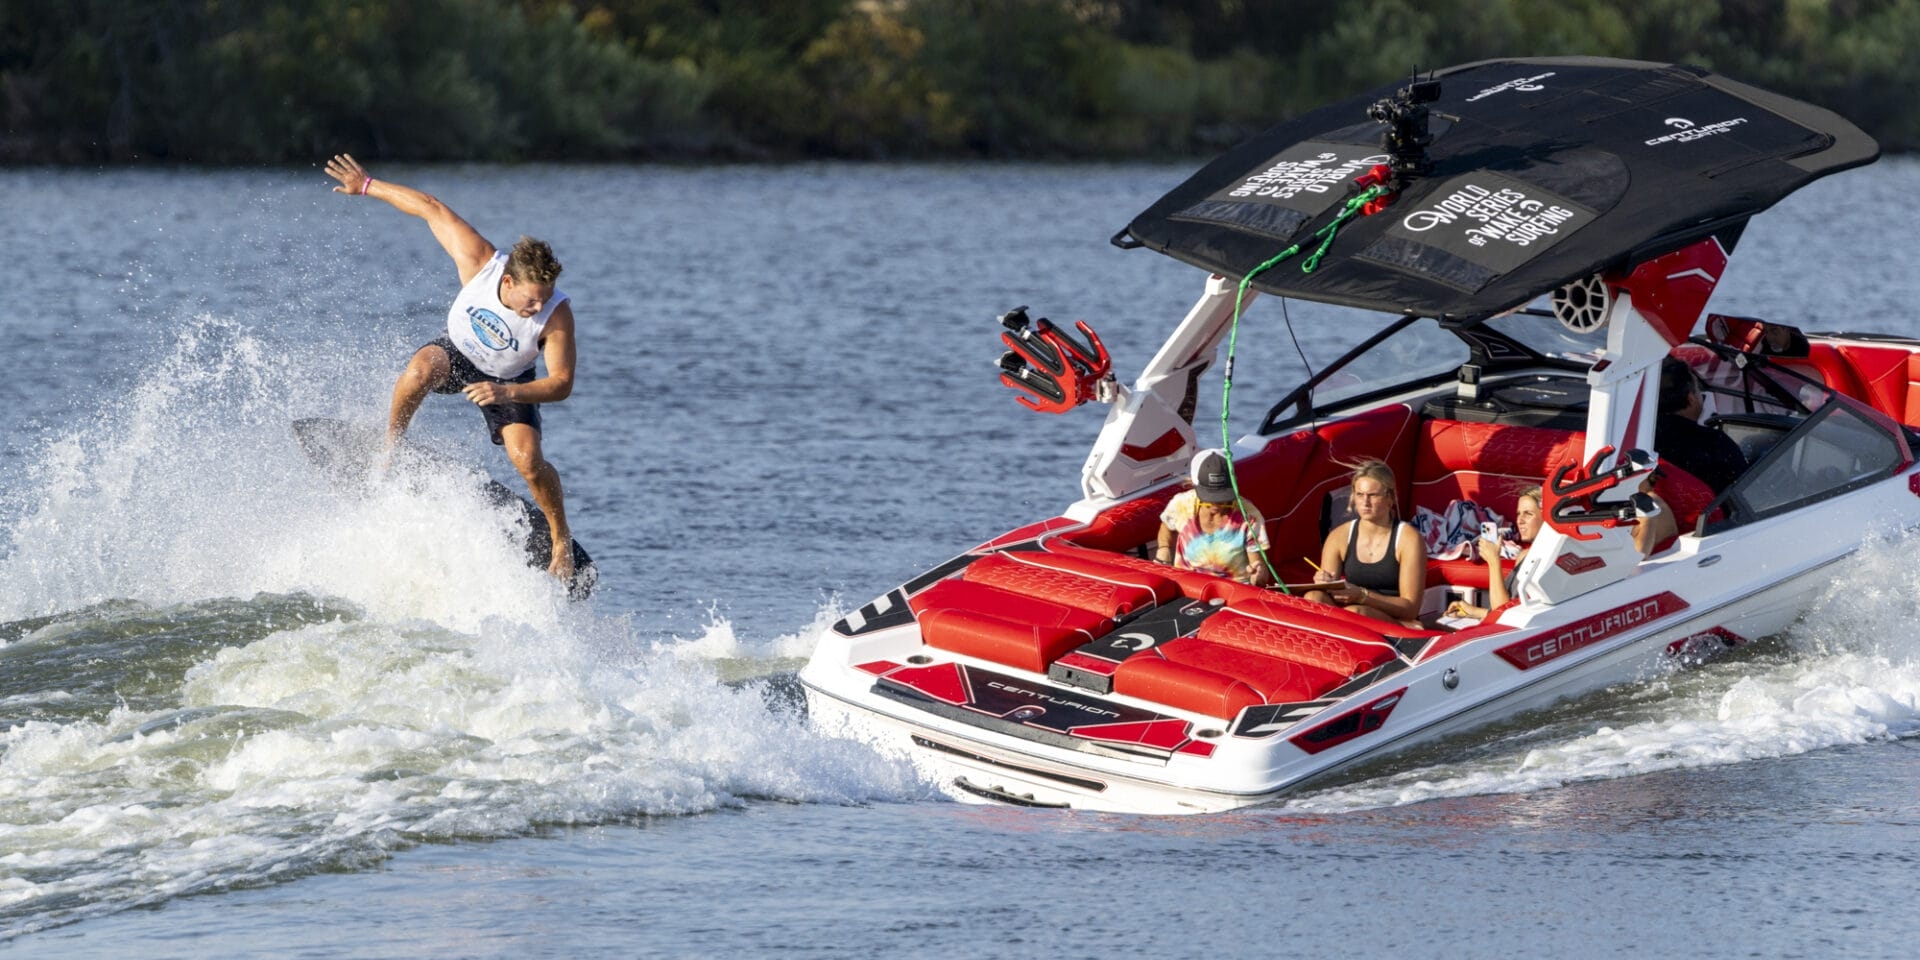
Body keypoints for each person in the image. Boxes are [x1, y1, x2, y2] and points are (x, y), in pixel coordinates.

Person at [324, 153, 578, 581]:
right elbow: (430, 207)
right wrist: (368, 186)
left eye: (545, 298)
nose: (538, 307)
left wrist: (507, 393)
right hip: (458, 354)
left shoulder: (556, 316)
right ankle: (390, 446)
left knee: (528, 461)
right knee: (421, 369)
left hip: (509, 379)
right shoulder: (480, 263)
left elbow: (562, 384)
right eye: (531, 300)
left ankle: (560, 538)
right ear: (509, 281)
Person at [1306, 460, 1423, 625]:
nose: (1365, 502)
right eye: (1360, 495)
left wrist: (1362, 596)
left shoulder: (1408, 538)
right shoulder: (1338, 536)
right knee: (1313, 597)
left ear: (1389, 498)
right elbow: (1328, 591)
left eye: (1373, 495)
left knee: (1356, 612)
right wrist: (1325, 583)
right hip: (1351, 614)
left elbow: (1410, 608)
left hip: (1396, 620)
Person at [1154, 449, 1274, 586]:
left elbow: (1259, 571)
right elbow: (1166, 526)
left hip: (1233, 588)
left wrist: (1258, 576)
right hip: (1186, 583)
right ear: (1194, 485)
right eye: (1210, 496)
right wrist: (1163, 548)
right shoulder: (1181, 504)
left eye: (1222, 496)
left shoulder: (1250, 517)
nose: (1217, 503)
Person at [1656, 356, 1746, 494]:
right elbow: (1744, 490)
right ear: (1691, 399)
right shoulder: (1715, 443)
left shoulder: (1644, 440)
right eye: (1698, 390)